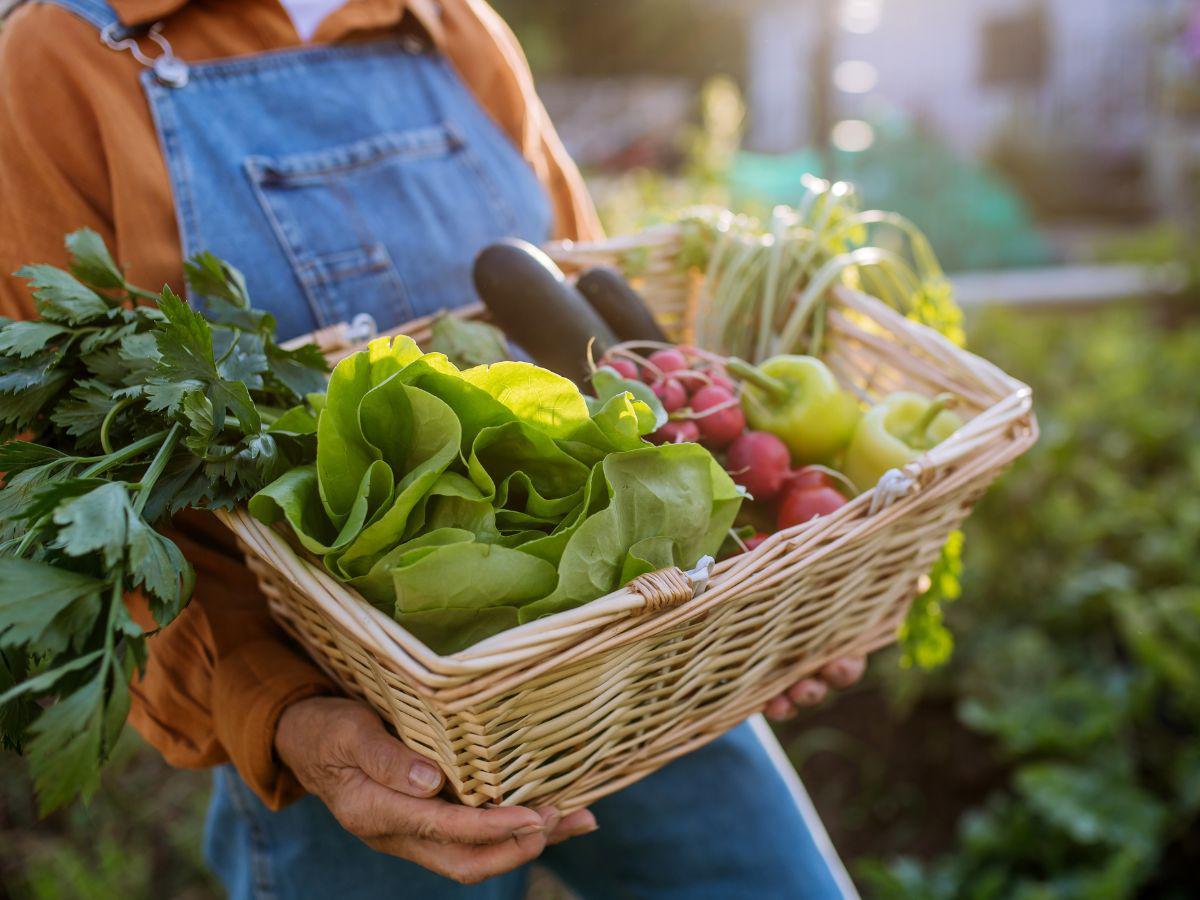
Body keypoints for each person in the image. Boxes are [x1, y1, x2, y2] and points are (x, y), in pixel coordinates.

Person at [0, 1, 866, 896]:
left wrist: (761, 614)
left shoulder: (452, 23)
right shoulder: (63, 57)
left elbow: (580, 318)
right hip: (360, 738)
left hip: (629, 662)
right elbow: (71, 506)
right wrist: (291, 719)